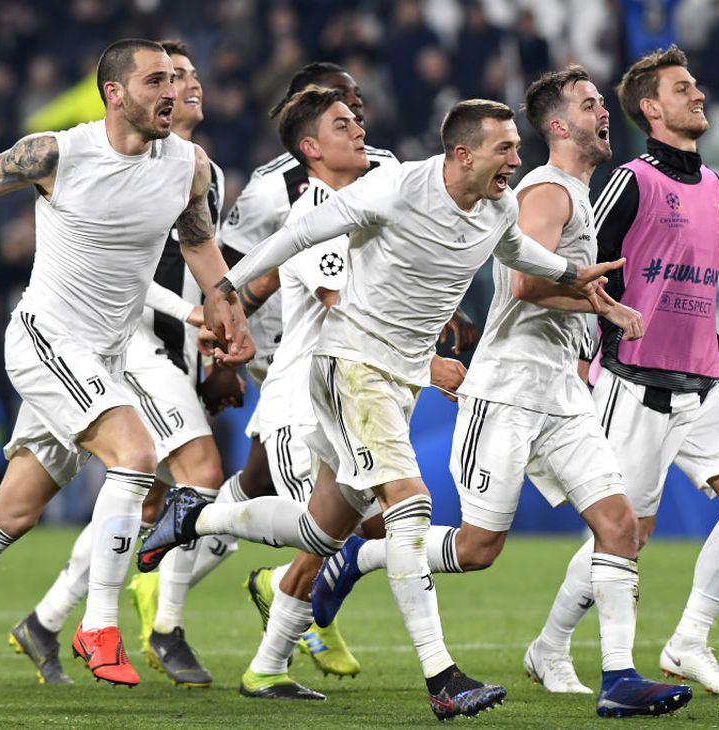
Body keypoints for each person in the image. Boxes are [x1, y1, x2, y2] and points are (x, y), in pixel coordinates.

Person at [141, 98, 624, 720]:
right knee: (410, 507)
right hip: (349, 368)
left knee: (321, 530)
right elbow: (295, 236)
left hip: (396, 381)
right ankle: (441, 677)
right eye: (505, 148)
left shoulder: (500, 207)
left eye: (516, 148)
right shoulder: (395, 187)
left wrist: (575, 273)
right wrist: (225, 288)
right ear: (463, 153)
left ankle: (197, 520)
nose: (516, 159)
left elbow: (518, 255)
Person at [0, 38, 252, 708]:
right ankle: (99, 627)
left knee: (10, 514)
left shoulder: (188, 165)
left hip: (99, 358)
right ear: (114, 93)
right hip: (46, 339)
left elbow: (198, 245)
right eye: (155, 80)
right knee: (136, 455)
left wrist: (229, 314)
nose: (172, 91)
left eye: (176, 80)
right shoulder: (57, 153)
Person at [308, 66, 694, 719]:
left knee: (620, 525)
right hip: (508, 388)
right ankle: (362, 555)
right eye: (591, 104)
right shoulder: (544, 191)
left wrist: (585, 333)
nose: (606, 114)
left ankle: (620, 678)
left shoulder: (572, 189)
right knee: (479, 549)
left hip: (560, 394)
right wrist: (601, 302)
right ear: (558, 124)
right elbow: (521, 286)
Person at [129, 61, 410, 680]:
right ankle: (297, 603)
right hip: (293, 356)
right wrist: (222, 356)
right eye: (342, 108)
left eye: (358, 106)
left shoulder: (386, 168)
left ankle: (184, 581)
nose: (357, 118)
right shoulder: (271, 190)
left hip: (363, 355)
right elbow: (234, 277)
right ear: (309, 124)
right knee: (343, 514)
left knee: (263, 488)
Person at [526, 45, 719, 697]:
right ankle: (549, 648)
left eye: (696, 86)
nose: (699, 95)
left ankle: (689, 642)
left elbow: (692, 283)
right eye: (683, 88)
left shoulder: (716, 187)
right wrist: (585, 351)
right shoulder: (631, 181)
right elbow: (587, 272)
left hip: (702, 381)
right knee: (625, 535)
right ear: (650, 107)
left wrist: (716, 346)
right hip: (634, 383)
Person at [5, 39, 233, 689]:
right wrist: (195, 318)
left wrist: (223, 333)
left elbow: (212, 269)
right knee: (196, 474)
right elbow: (126, 275)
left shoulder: (197, 170)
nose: (185, 87)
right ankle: (160, 623)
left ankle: (50, 619)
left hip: (177, 346)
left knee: (149, 496)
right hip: (127, 345)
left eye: (187, 76)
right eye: (168, 77)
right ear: (131, 93)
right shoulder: (110, 158)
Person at [233, 85, 376, 700]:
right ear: (311, 149)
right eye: (343, 124)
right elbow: (343, 310)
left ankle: (268, 665)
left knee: (355, 535)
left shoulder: (364, 206)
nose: (360, 129)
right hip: (301, 401)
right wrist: (427, 362)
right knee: (330, 536)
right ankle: (201, 516)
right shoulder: (314, 215)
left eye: (359, 119)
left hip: (345, 398)